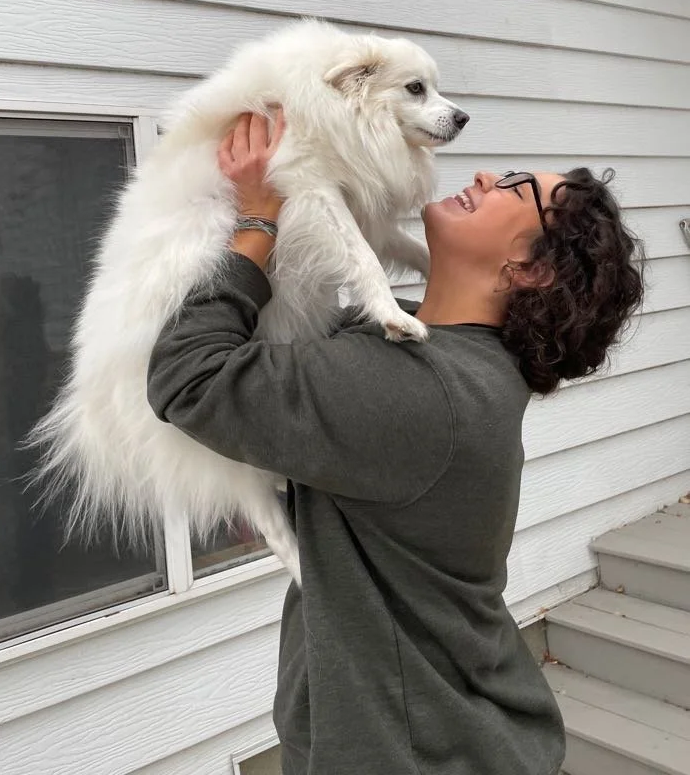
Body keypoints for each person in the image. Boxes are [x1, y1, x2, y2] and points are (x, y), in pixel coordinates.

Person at [146, 112, 644, 775]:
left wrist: (257, 221)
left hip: (408, 751)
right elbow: (320, 335)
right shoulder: (448, 359)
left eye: (515, 188)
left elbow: (190, 377)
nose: (486, 175)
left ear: (529, 272)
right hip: (450, 729)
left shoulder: (419, 390)